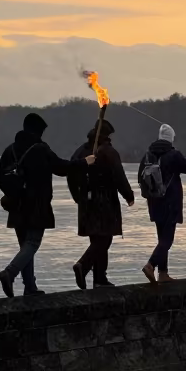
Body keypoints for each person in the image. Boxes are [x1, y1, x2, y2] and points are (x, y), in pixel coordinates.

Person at [0, 113, 93, 297]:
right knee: (32, 243)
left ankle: (30, 287)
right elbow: (61, 168)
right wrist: (84, 163)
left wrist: (14, 194)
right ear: (38, 130)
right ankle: (9, 273)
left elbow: (0, 178)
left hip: (16, 207)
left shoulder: (10, 150)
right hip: (37, 206)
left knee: (25, 246)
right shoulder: (41, 149)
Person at [137, 124, 186, 285]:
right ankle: (151, 265)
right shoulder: (173, 154)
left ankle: (163, 273)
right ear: (171, 138)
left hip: (154, 201)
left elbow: (140, 179)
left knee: (161, 237)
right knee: (167, 239)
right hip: (170, 202)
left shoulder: (148, 155)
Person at [69, 119, 134, 289]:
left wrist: (77, 196)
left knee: (97, 239)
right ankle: (83, 265)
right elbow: (119, 176)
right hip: (104, 201)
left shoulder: (80, 151)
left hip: (86, 201)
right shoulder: (108, 152)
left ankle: (99, 279)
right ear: (107, 135)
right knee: (104, 239)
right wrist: (129, 195)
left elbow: (71, 173)